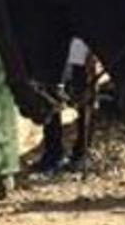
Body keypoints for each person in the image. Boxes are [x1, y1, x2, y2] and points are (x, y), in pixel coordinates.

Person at [32, 38, 93, 174]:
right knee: (50, 91)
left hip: (78, 42)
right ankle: (54, 154)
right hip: (57, 42)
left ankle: (81, 153)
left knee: (83, 94)